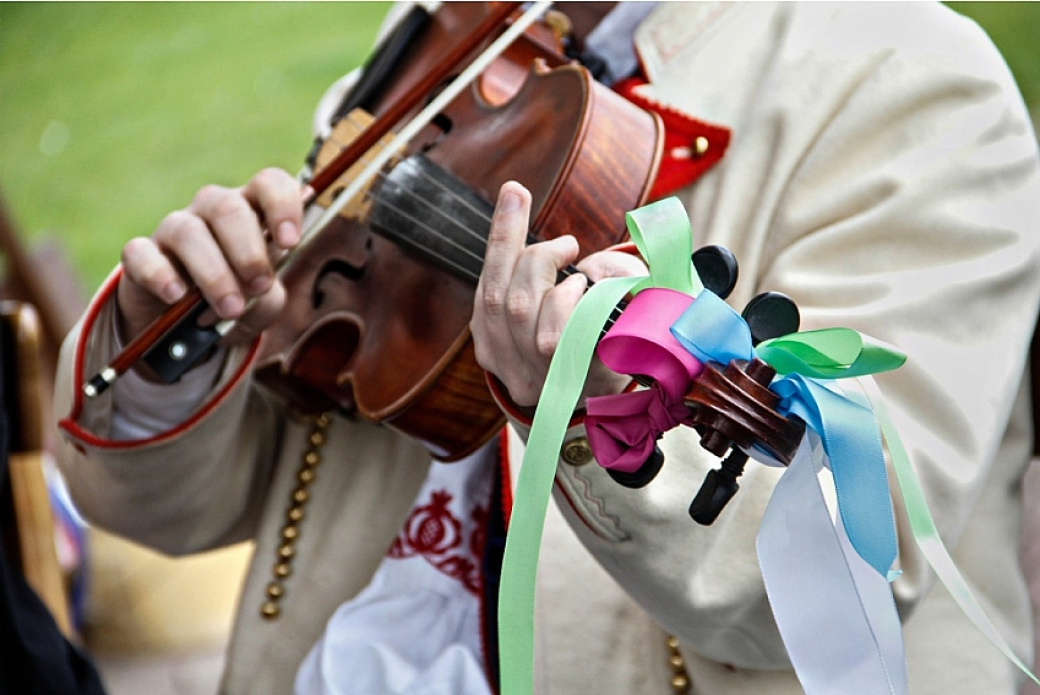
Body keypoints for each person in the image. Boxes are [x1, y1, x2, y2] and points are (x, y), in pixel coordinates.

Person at [53, 2, 1040, 694]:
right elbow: (200, 505)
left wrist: (594, 409)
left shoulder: (910, 79)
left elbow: (843, 573)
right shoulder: (443, 41)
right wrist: (173, 340)